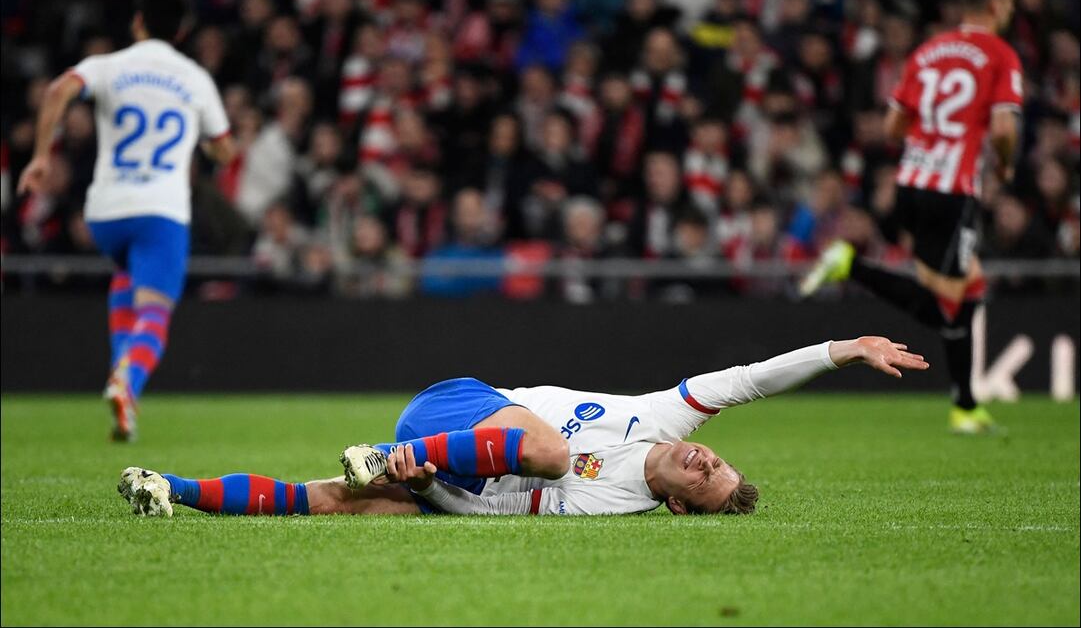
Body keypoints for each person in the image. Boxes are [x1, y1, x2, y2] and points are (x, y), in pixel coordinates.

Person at [118, 335, 927, 517]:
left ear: (681, 505)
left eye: (703, 477)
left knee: (327, 503)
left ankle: (169, 488)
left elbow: (500, 506)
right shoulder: (666, 416)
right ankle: (389, 455)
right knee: (544, 449)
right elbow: (751, 381)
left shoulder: (616, 508)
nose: (702, 458)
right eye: (715, 459)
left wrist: (428, 485)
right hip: (455, 405)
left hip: (454, 469)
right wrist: (840, 350)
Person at [800, 0, 1022, 435]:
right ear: (996, 4)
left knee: (970, 288)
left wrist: (930, 138)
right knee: (945, 307)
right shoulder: (1000, 54)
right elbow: (1003, 127)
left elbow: (893, 127)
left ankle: (965, 404)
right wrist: (1003, 163)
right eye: (1010, 4)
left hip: (912, 182)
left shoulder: (928, 52)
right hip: (950, 192)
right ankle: (850, 264)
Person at [16, 0, 236, 441]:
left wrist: (40, 155)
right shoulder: (194, 78)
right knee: (155, 310)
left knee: (126, 276)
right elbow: (225, 148)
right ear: (182, 31)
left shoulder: (109, 65)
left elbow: (59, 89)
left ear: (138, 22)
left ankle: (126, 406)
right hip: (161, 213)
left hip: (105, 213)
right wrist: (211, 144)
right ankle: (127, 380)